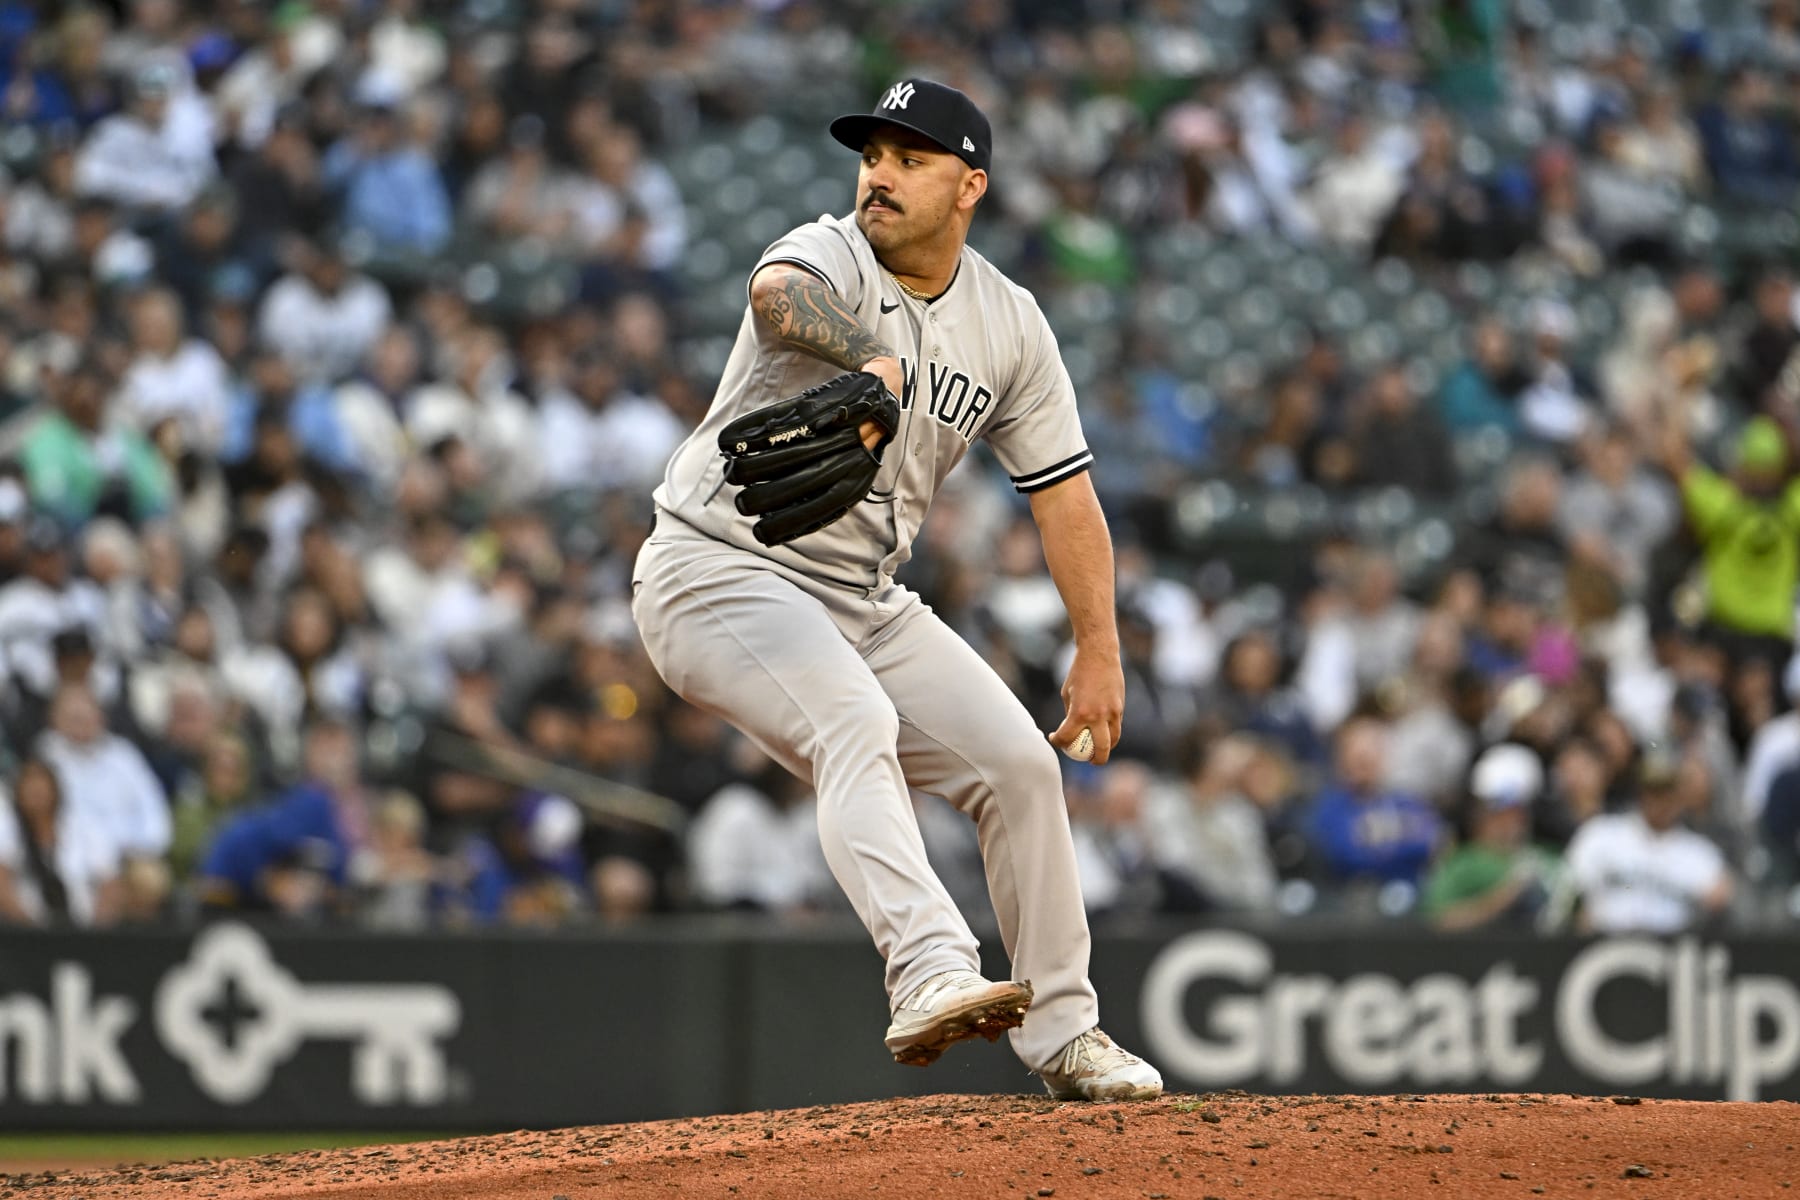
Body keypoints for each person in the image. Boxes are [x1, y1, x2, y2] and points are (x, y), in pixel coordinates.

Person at [630, 79, 1161, 1101]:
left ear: (971, 186)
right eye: (874, 154)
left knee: (1017, 766)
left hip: (860, 598)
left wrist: (1099, 647)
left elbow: (1065, 496)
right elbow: (774, 292)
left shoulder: (1008, 323)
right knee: (853, 721)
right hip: (715, 568)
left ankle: (1065, 1037)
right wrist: (866, 355)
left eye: (912, 160)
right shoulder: (833, 254)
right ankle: (927, 970)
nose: (880, 175)